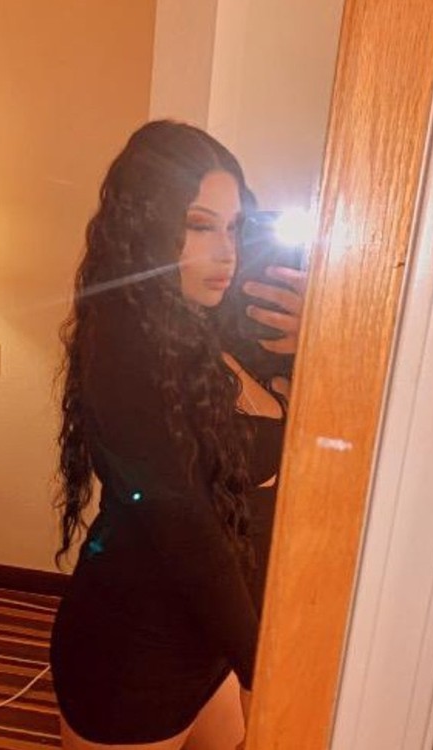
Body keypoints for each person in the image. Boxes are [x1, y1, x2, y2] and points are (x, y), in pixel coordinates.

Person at [50, 120, 304, 750]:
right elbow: (191, 535)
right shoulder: (124, 352)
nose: (226, 252)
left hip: (212, 641)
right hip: (134, 654)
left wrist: (312, 346)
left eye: (233, 228)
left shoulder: (217, 326)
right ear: (146, 226)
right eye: (199, 225)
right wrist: (265, 670)